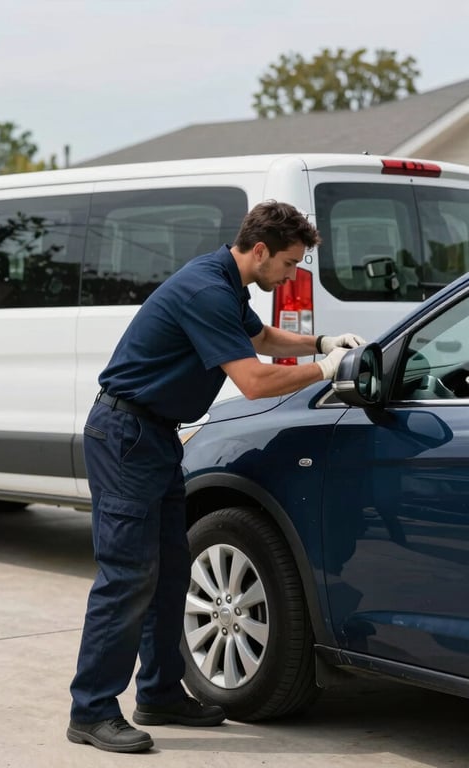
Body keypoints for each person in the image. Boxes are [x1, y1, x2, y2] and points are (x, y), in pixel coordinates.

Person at [66, 200, 365, 754]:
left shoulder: (227, 284)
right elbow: (253, 381)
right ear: (260, 251)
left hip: (153, 436)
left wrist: (320, 343)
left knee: (171, 572)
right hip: (126, 436)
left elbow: (260, 340)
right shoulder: (207, 289)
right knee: (127, 576)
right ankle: (90, 711)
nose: (293, 274)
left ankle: (158, 694)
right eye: (291, 263)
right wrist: (325, 372)